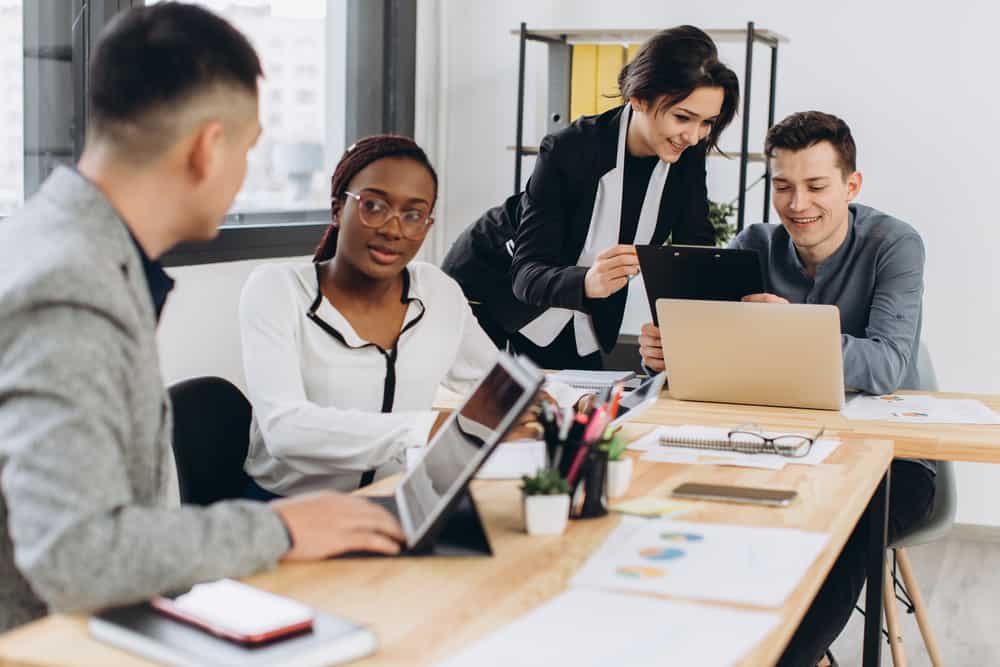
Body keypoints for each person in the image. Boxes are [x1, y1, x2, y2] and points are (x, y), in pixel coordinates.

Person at [0, 3, 403, 634]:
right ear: (208, 148)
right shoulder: (69, 285)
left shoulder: (63, 241)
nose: (243, 176)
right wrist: (281, 527)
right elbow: (72, 555)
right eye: (247, 152)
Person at [637, 111, 936, 666]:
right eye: (783, 186)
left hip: (894, 461)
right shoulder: (753, 244)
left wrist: (790, 326)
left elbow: (888, 364)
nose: (798, 204)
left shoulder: (895, 245)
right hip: (779, 446)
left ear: (852, 185)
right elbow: (721, 359)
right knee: (689, 510)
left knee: (839, 528)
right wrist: (670, 353)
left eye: (817, 186)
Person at [239, 135, 586, 499]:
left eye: (413, 214)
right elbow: (286, 430)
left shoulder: (437, 292)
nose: (393, 229)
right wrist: (430, 429)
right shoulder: (277, 290)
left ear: (426, 225)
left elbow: (494, 380)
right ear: (338, 208)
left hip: (395, 500)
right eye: (373, 206)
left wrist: (570, 400)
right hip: (289, 509)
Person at [442, 25, 739, 369]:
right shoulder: (569, 148)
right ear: (639, 98)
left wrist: (714, 314)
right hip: (490, 290)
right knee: (505, 413)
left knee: (585, 412)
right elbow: (526, 273)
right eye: (683, 117)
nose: (693, 135)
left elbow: (694, 252)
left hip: (578, 312)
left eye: (707, 122)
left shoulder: (687, 151)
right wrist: (587, 280)